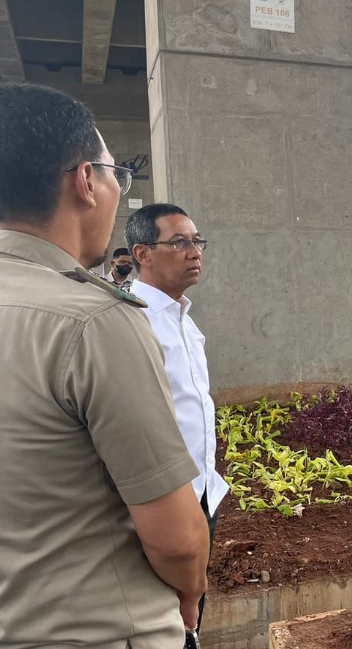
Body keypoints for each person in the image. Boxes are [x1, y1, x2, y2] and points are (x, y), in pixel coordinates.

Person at [0, 83, 208, 648]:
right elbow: (174, 539)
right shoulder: (94, 321)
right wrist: (192, 588)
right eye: (115, 175)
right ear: (84, 181)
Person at [126, 203, 224, 631]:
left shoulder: (183, 317)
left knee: (191, 613)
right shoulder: (131, 320)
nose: (194, 252)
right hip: (162, 500)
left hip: (201, 490)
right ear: (143, 253)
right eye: (180, 242)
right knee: (164, 617)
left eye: (197, 241)